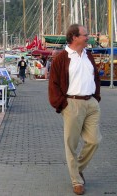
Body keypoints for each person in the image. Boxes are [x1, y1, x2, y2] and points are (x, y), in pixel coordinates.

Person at [48, 24, 101, 195]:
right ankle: (76, 180)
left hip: (91, 103)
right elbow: (53, 84)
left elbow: (95, 77)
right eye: (86, 35)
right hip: (72, 104)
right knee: (71, 144)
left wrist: (96, 98)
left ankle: (76, 168)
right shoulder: (61, 58)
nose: (88, 37)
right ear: (74, 37)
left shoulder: (88, 55)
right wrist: (62, 104)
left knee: (94, 140)